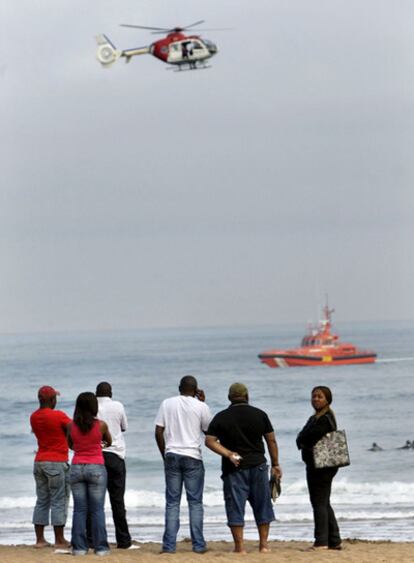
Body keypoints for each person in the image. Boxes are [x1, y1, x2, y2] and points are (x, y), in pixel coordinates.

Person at [205, 383, 282, 554]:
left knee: (235, 507)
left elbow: (209, 441)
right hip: (258, 466)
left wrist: (228, 453)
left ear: (229, 397)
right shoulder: (260, 414)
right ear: (247, 396)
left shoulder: (221, 417)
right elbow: (271, 441)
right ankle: (263, 546)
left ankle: (240, 548)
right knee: (262, 505)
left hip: (233, 469)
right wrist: (276, 464)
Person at [155, 375, 212, 554]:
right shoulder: (201, 406)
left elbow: (158, 431)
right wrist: (203, 402)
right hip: (193, 456)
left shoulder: (167, 403)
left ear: (179, 387)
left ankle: (169, 546)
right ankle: (198, 545)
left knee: (172, 502)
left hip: (172, 454)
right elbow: (208, 431)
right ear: (196, 390)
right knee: (195, 502)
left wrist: (165, 454)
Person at [296, 386, 342, 551]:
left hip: (322, 467)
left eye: (320, 397)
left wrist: (302, 440)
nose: (316, 399)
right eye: (314, 396)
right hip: (317, 465)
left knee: (318, 503)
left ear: (327, 400)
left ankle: (321, 541)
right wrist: (301, 440)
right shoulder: (315, 417)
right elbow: (301, 436)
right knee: (323, 502)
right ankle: (334, 540)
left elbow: (309, 437)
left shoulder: (325, 419)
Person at [67, 392, 112, 556]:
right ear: (94, 407)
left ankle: (79, 548)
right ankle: (101, 548)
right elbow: (109, 441)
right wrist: (98, 446)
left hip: (77, 466)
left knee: (79, 510)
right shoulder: (101, 425)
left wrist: (81, 448)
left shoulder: (71, 426)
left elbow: (70, 444)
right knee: (97, 510)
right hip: (96, 468)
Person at [94, 381, 135, 549]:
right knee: (117, 501)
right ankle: (123, 541)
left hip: (96, 455)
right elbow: (124, 427)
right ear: (110, 393)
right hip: (116, 455)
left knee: (96, 502)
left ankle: (93, 539)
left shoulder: (91, 406)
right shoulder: (118, 406)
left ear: (96, 393)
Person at [30, 385, 71, 548]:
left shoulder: (33, 417)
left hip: (39, 461)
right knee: (59, 500)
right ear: (52, 400)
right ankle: (59, 539)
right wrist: (68, 441)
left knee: (42, 500)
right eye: (55, 398)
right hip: (56, 461)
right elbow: (72, 428)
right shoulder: (58, 415)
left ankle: (39, 539)